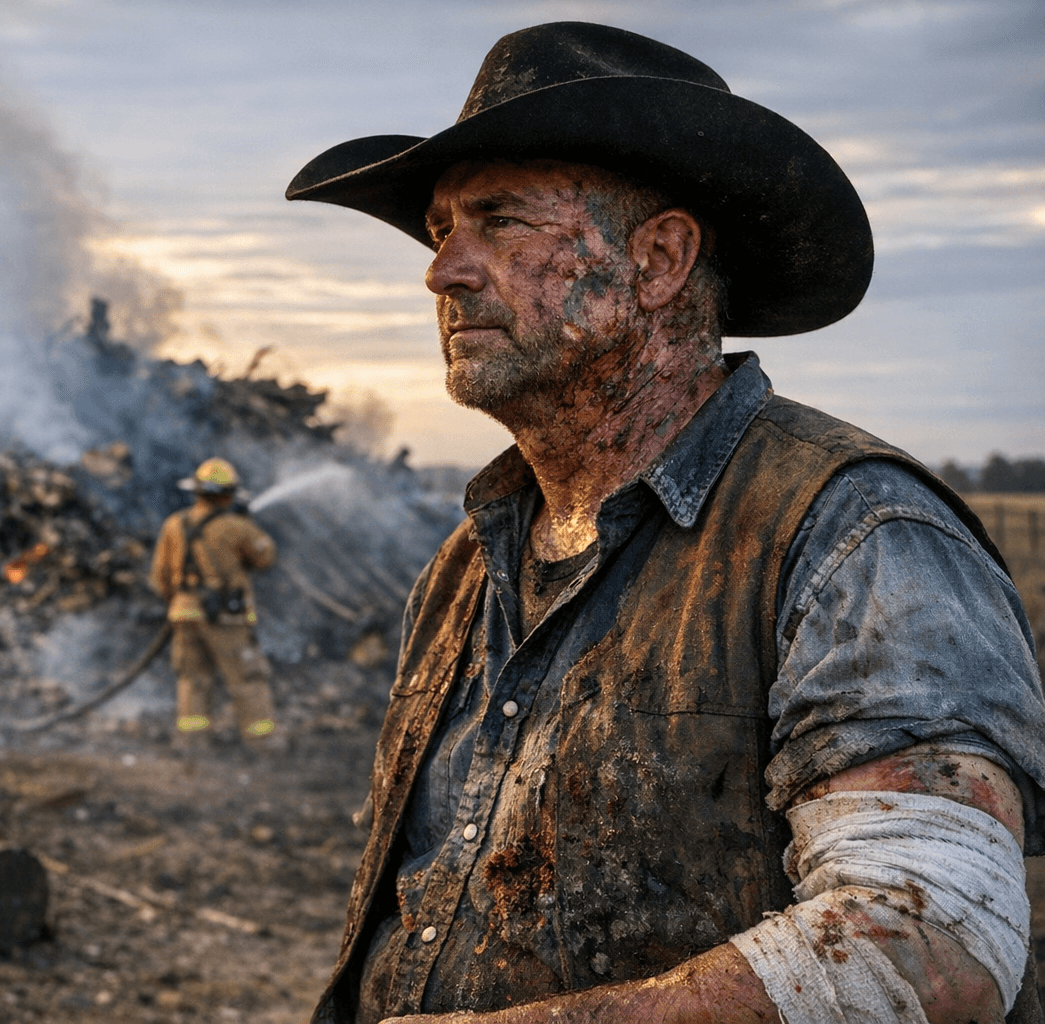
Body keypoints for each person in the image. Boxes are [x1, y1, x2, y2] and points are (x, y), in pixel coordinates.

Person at [285, 22, 1045, 1024]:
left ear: (659, 260)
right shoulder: (473, 561)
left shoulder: (855, 537)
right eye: (440, 231)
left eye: (501, 222)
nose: (445, 272)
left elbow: (934, 943)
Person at [149, 457, 279, 749]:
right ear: (228, 493)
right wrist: (248, 524)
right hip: (225, 616)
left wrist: (180, 600)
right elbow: (265, 558)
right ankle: (263, 742)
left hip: (183, 612)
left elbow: (160, 577)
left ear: (197, 491)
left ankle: (193, 743)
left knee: (192, 680)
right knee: (247, 678)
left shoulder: (174, 524)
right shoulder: (237, 526)